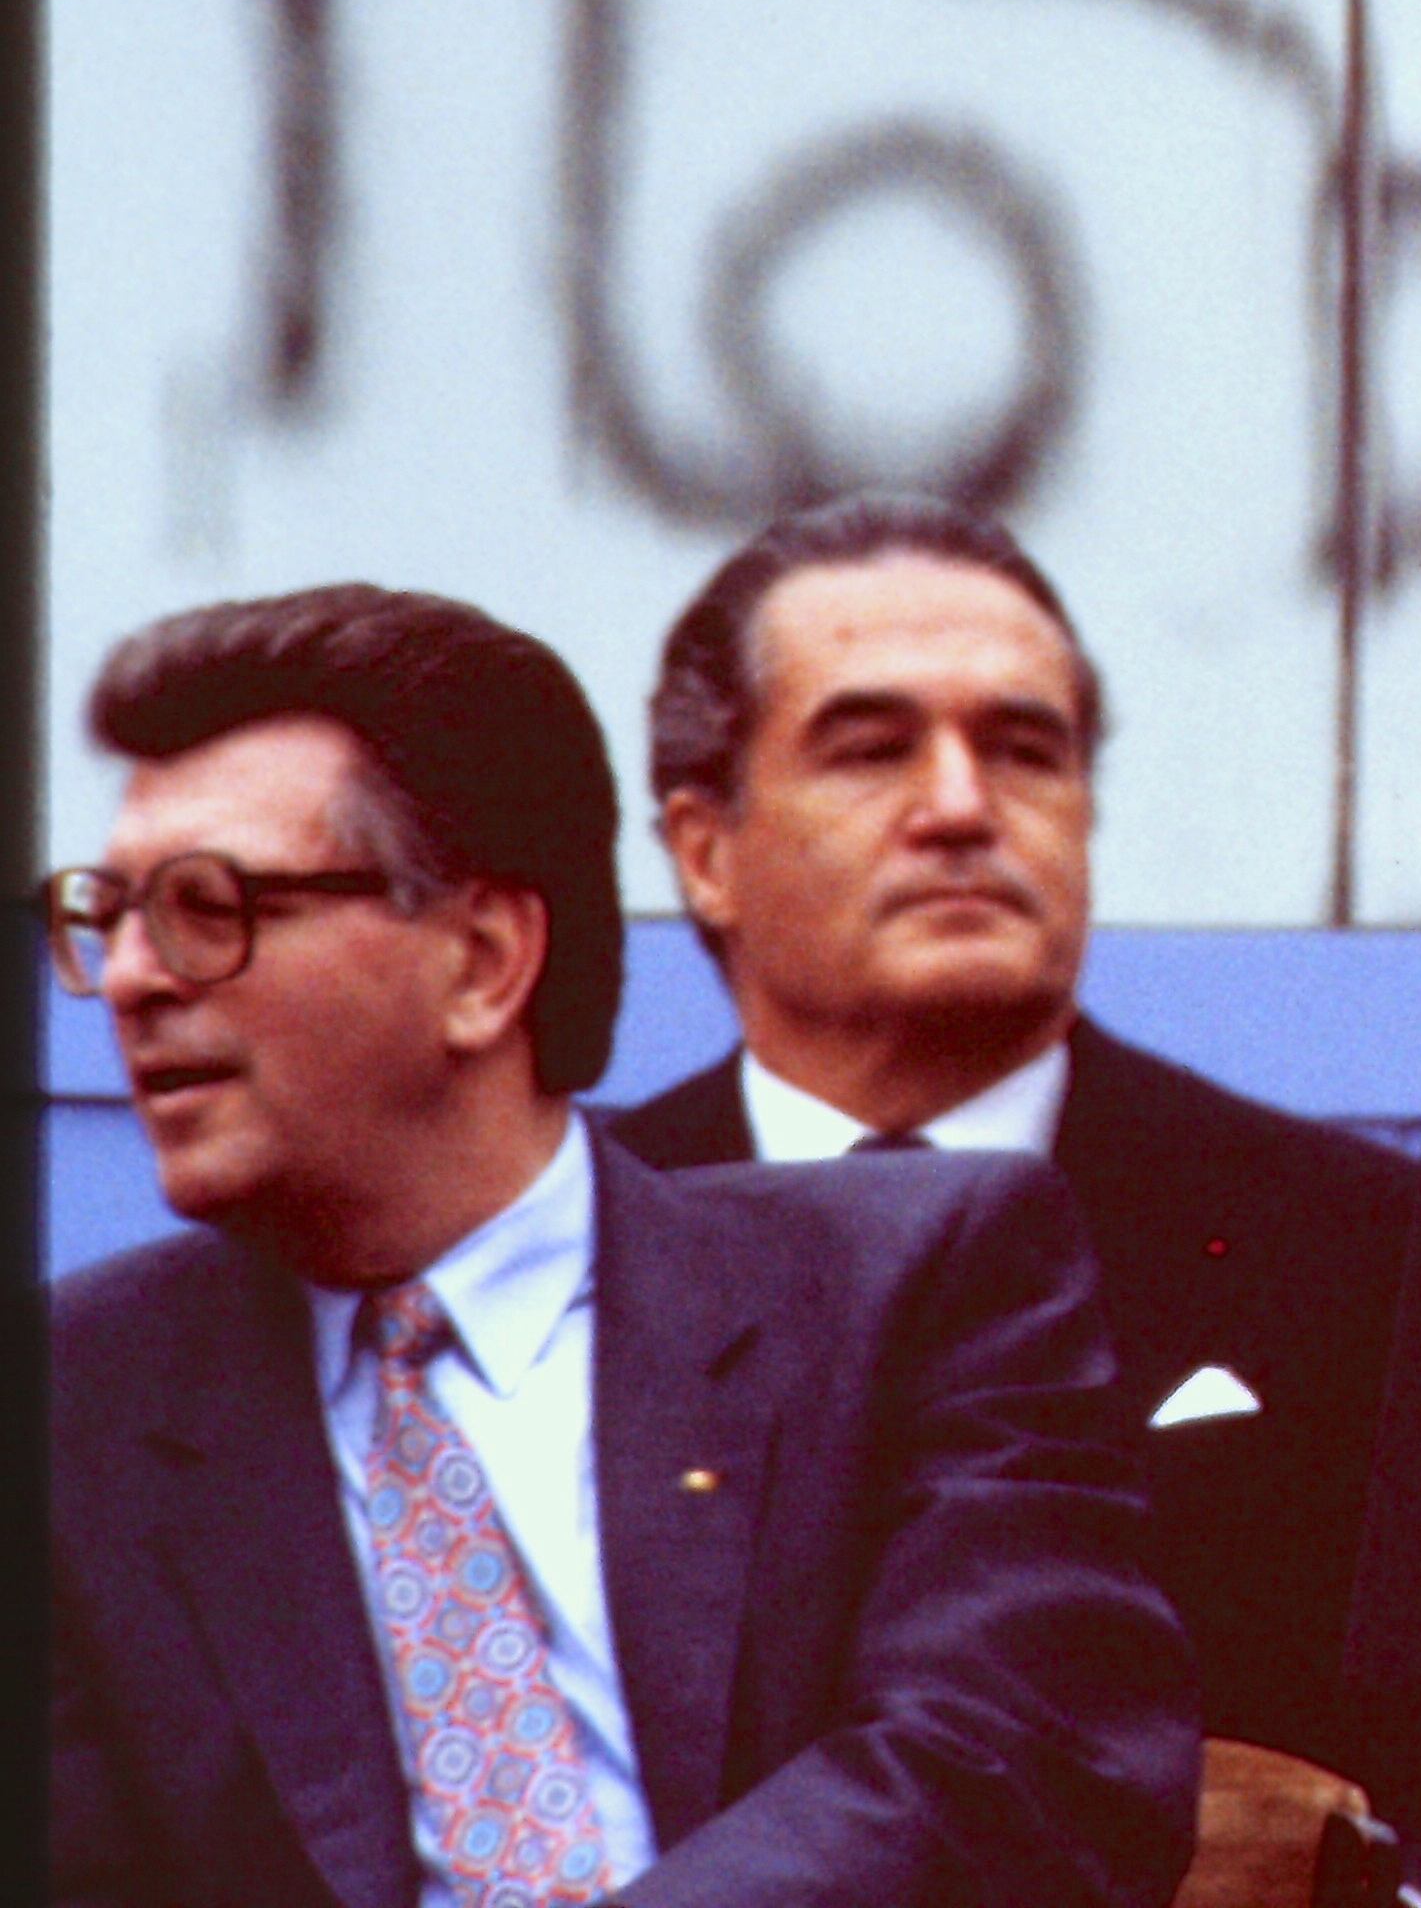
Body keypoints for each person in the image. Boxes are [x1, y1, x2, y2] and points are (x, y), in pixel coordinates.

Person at [45, 581, 1195, 1908]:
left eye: (207, 907)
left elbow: (1013, 1760)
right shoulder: (75, 1403)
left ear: (482, 960)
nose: (131, 975)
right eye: (108, 916)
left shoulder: (911, 1284)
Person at [602, 497, 1421, 1900]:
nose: (964, 807)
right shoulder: (571, 1237)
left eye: (1024, 749)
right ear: (703, 847)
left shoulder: (1369, 1254)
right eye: (870, 750)